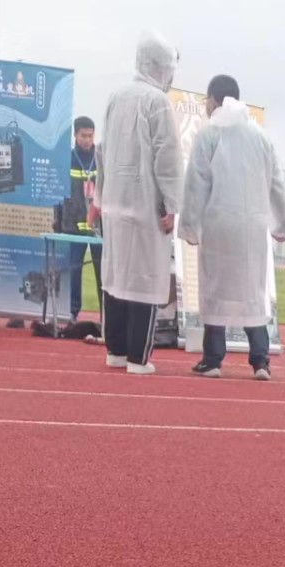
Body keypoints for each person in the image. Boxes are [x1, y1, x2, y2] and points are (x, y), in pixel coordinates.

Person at [179, 73, 285, 379]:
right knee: (252, 292)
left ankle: (213, 359)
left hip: (218, 224)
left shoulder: (209, 134)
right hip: (253, 227)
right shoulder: (261, 136)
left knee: (215, 289)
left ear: (212, 100)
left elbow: (195, 184)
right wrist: (282, 224)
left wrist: (189, 226)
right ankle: (260, 361)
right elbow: (277, 183)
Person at [93, 34, 183, 376]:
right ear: (161, 67)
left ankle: (115, 351)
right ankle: (137, 358)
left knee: (115, 279)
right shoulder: (157, 101)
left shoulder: (115, 97)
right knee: (145, 280)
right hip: (145, 207)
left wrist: (100, 199)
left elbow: (102, 153)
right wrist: (172, 203)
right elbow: (168, 158)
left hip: (115, 206)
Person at [68, 116, 103, 326]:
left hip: (98, 224)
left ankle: (106, 314)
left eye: (90, 136)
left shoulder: (100, 157)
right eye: (83, 136)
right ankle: (72, 312)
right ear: (75, 135)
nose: (87, 140)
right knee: (74, 268)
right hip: (75, 224)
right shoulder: (69, 158)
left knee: (101, 270)